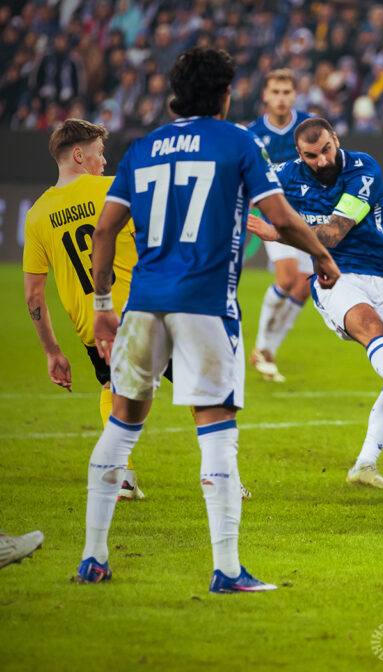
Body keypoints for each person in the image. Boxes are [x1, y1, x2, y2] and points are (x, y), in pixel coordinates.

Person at [76, 47, 340, 592]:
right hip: (206, 304)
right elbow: (280, 216)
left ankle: (93, 558)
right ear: (226, 92)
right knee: (217, 431)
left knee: (121, 426)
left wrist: (102, 307)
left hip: (143, 302)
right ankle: (227, 569)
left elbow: (104, 230)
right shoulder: (236, 141)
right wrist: (321, 254)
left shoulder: (143, 146)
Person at [246, 117, 383, 489]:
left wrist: (276, 232)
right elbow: (241, 191)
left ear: (336, 139)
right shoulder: (285, 176)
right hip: (336, 274)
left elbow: (332, 233)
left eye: (326, 150)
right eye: (311, 156)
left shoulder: (363, 169)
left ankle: (365, 464)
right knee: (372, 328)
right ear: (299, 154)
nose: (322, 161)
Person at [23, 119, 147, 501]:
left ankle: (122, 476)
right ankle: (220, 476)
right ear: (79, 154)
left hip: (94, 330)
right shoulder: (113, 188)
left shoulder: (37, 215)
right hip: (142, 313)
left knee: (112, 387)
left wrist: (52, 351)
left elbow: (33, 296)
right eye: (99, 152)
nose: (104, 161)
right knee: (198, 384)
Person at [247, 69, 316, 382]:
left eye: (286, 92)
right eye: (275, 91)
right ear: (265, 95)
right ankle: (262, 345)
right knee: (287, 278)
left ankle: (268, 349)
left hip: (308, 216)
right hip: (274, 215)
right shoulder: (251, 133)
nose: (281, 98)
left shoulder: (309, 126)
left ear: (294, 95)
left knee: (304, 286)